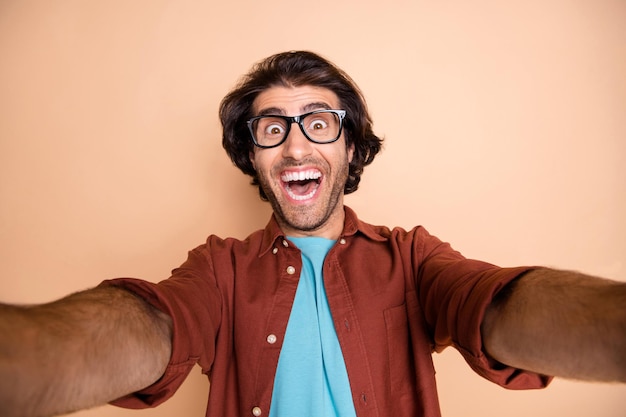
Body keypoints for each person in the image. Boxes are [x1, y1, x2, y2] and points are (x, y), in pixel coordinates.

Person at [0, 50, 624, 417]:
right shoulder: (221, 267)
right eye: (272, 127)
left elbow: (493, 304)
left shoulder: (410, 257)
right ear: (253, 157)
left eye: (320, 122)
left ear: (352, 149)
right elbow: (153, 323)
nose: (295, 143)